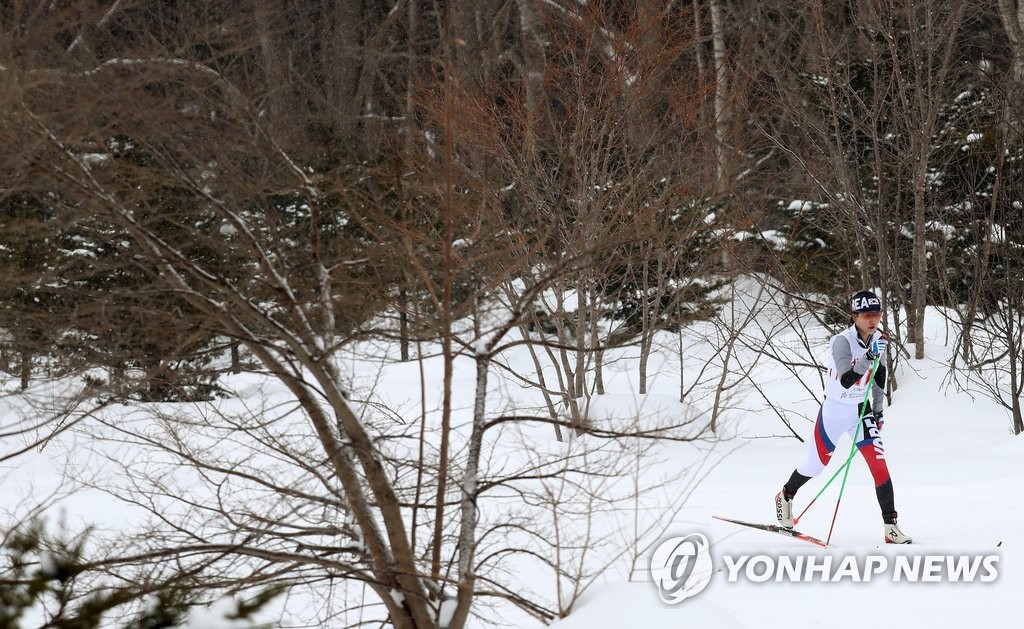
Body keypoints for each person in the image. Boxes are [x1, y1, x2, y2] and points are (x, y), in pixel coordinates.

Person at [774, 290, 913, 544]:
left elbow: (879, 374)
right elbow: (848, 379)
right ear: (855, 316)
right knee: (814, 467)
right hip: (835, 412)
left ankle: (890, 527)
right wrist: (870, 355)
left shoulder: (878, 338)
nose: (873, 320)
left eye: (877, 314)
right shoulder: (842, 341)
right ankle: (786, 494)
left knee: (879, 467)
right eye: (867, 315)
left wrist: (878, 409)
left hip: (860, 411)